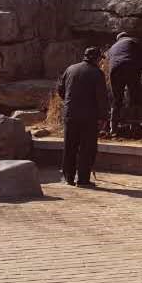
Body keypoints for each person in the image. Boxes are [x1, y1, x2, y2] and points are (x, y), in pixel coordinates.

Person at [57, 46, 110, 187]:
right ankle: (83, 179)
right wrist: (103, 117)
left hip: (70, 114)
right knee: (87, 148)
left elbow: (60, 89)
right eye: (99, 59)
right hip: (89, 117)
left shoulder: (70, 69)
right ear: (96, 58)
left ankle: (68, 177)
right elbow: (102, 98)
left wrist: (69, 101)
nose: (100, 62)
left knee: (70, 146)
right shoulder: (97, 73)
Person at [104, 31, 142, 134]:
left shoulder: (113, 47)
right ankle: (134, 126)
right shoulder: (133, 41)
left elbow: (110, 62)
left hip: (115, 71)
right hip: (131, 67)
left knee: (117, 99)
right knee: (134, 97)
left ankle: (113, 128)